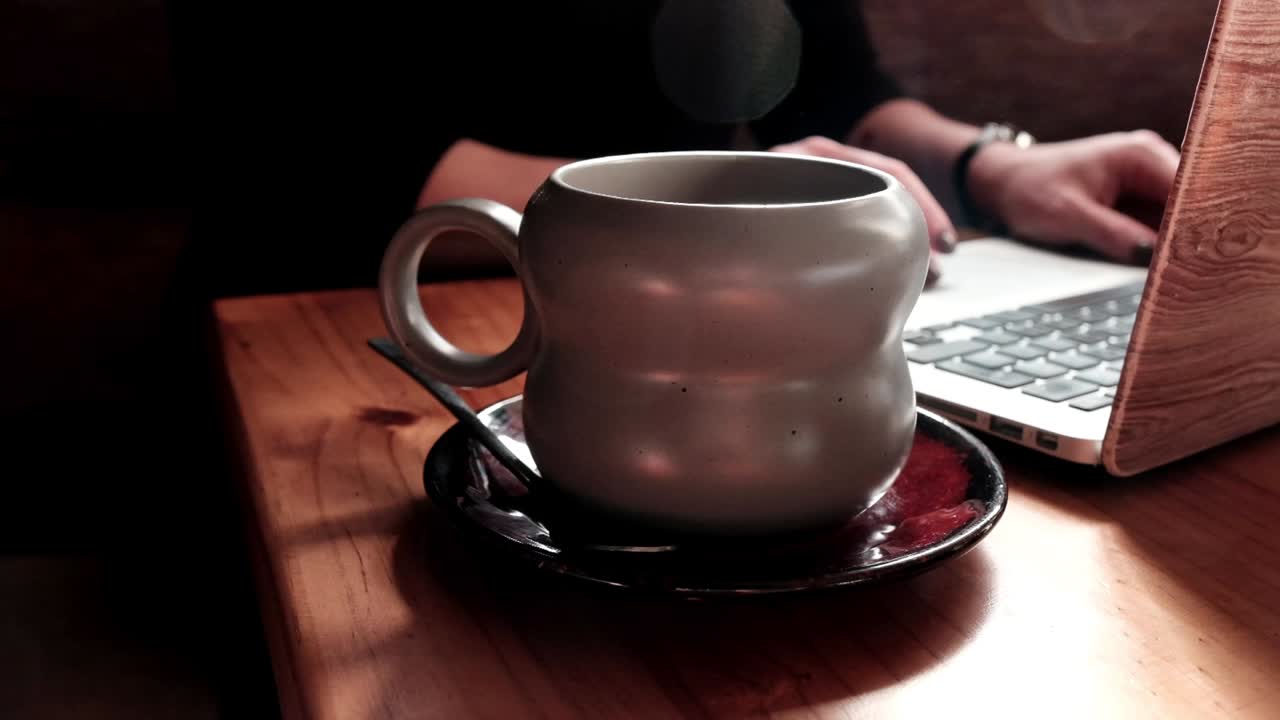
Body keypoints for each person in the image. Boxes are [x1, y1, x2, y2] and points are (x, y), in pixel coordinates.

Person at [414, 2, 1180, 284]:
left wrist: (994, 167)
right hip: (422, 314)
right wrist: (711, 198)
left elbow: (843, 100)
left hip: (717, 287)